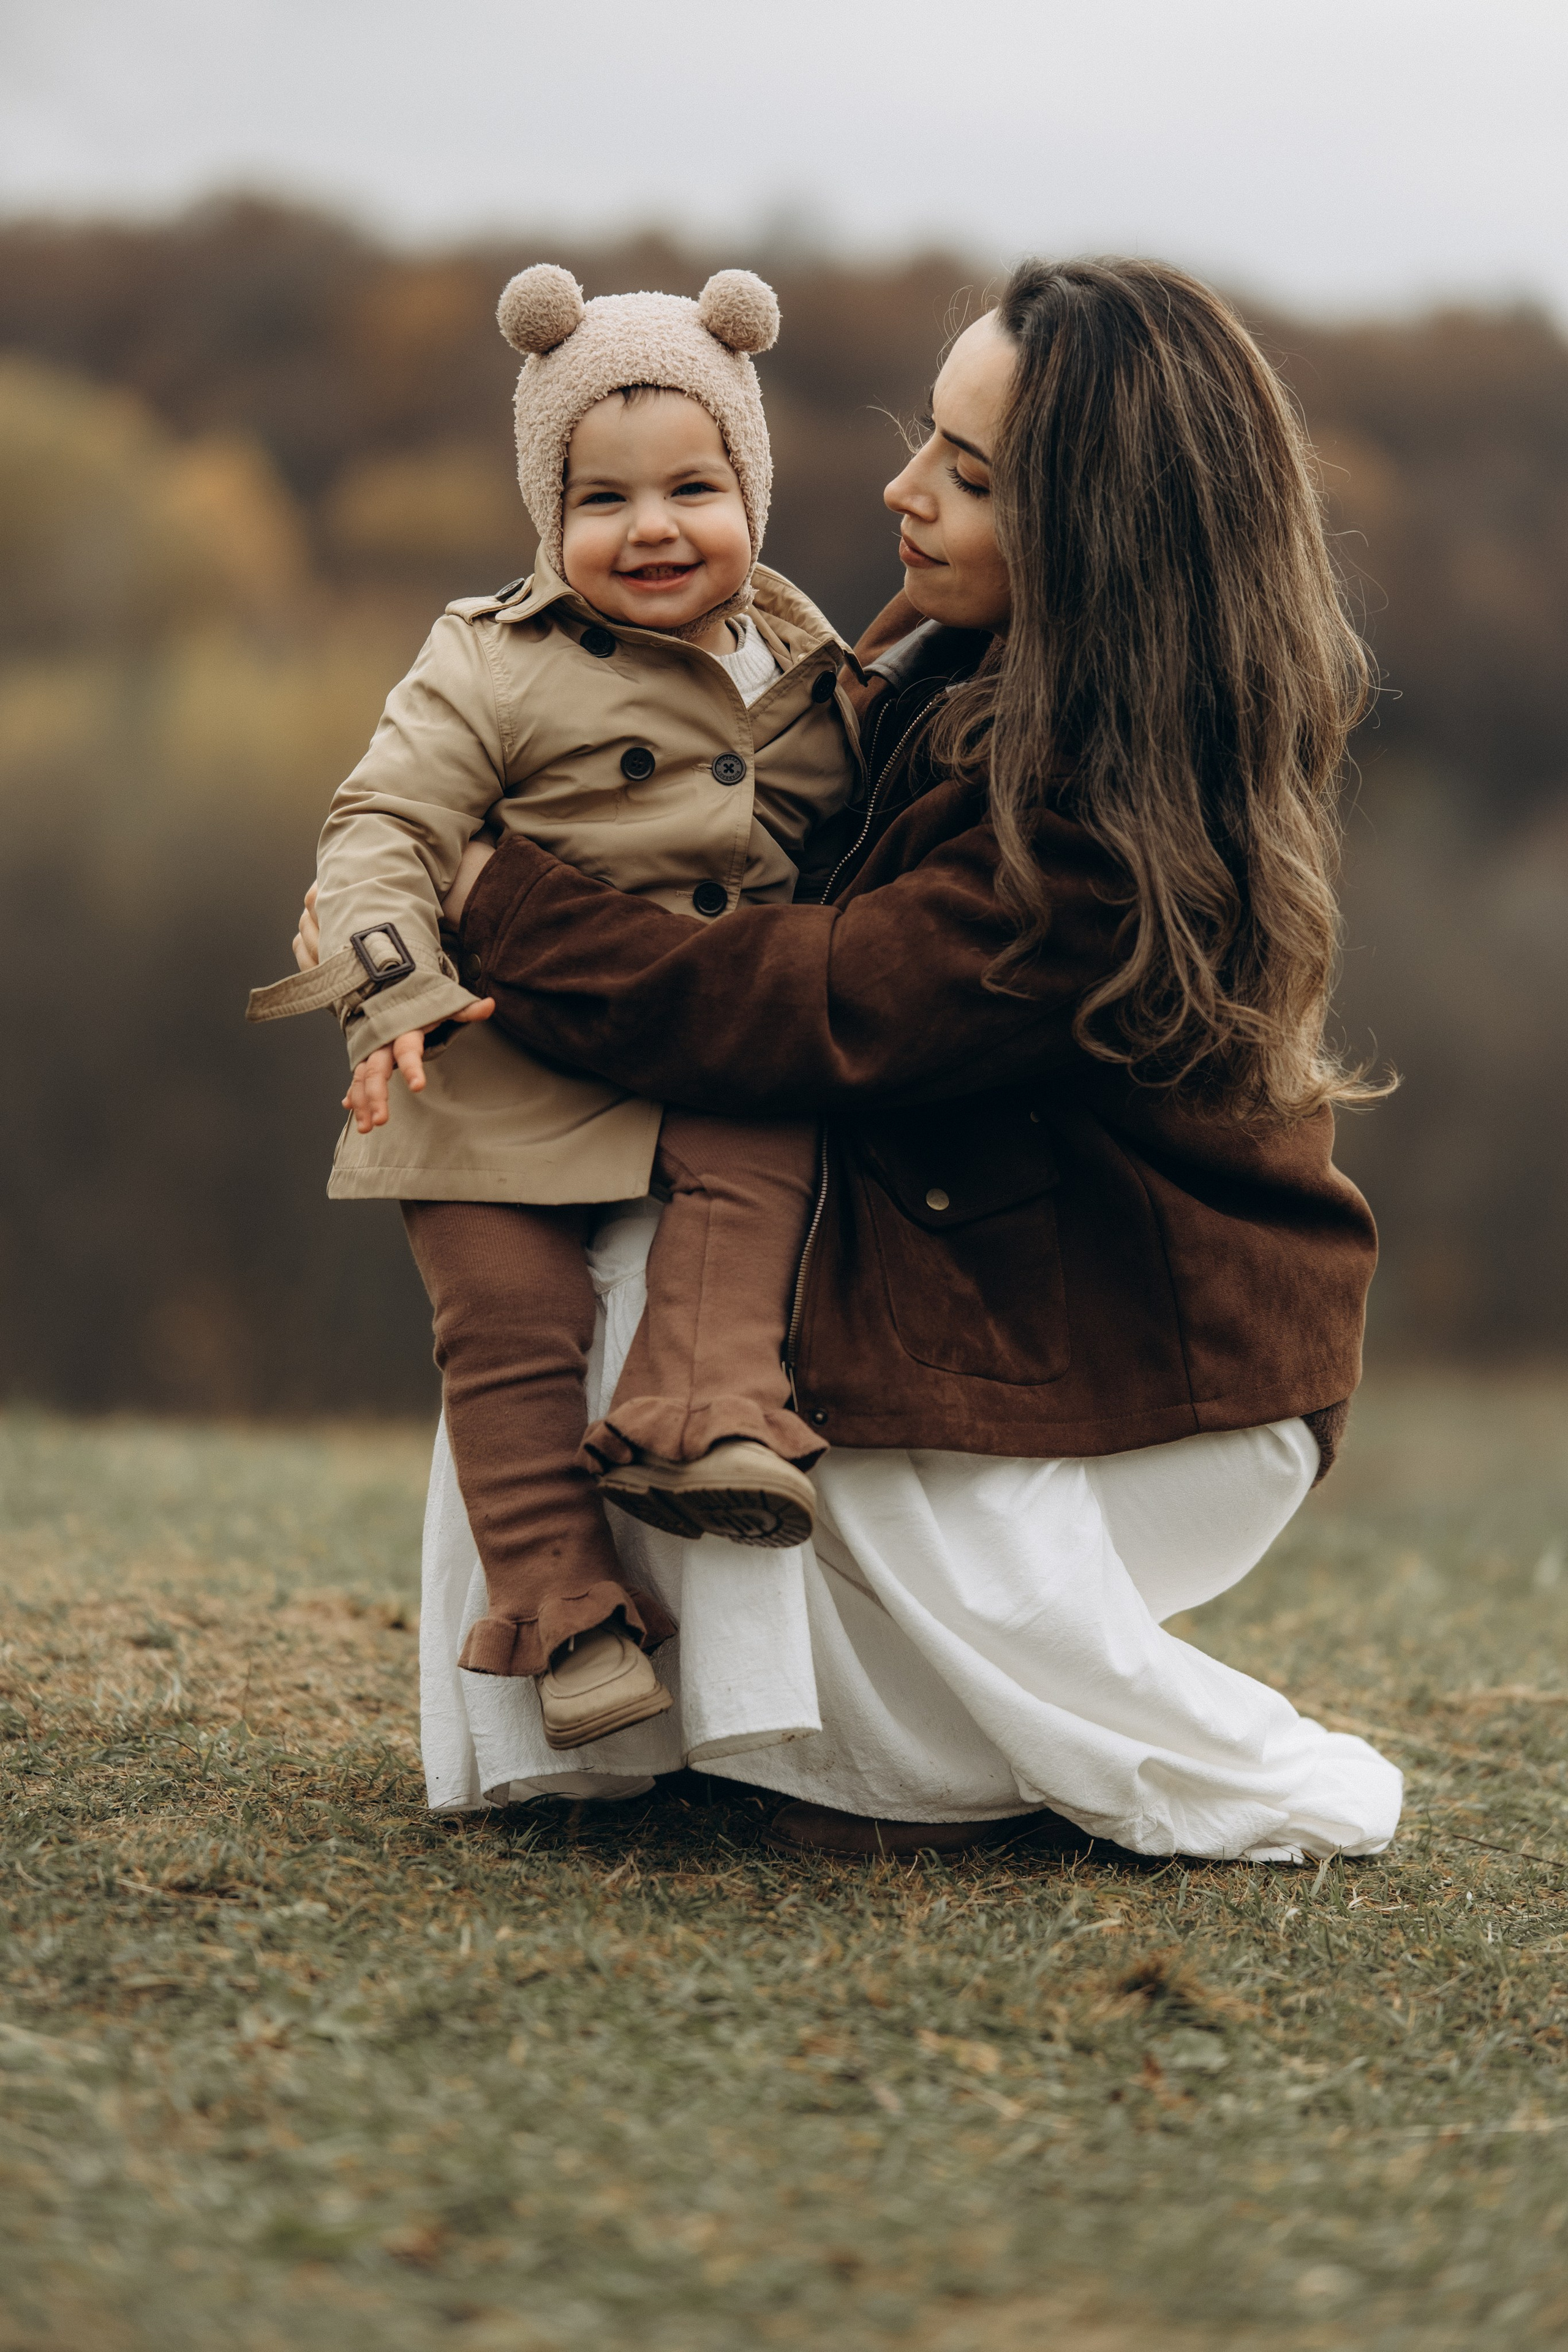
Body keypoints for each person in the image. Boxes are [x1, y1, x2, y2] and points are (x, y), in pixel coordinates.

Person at [393, 257, 1404, 1863]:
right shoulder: (935, 662)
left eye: (971, 473)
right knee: (612, 1265)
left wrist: (500, 904)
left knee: (743, 1345)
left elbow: (816, 1002)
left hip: (1164, 1367)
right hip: (1003, 1266)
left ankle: (954, 1762)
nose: (903, 489)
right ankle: (685, 1733)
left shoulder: (1114, 812)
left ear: (1101, 538)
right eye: (926, 438)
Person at [251, 265, 861, 1752]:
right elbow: (384, 823)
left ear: (751, 488)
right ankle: (566, 1616)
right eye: (601, 500)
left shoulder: (814, 662)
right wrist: (392, 975)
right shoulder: (489, 655)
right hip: (495, 1051)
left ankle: (706, 1420)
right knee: (505, 1332)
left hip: (707, 1036)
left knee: (760, 1168)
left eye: (692, 487)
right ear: (549, 514)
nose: (650, 527)